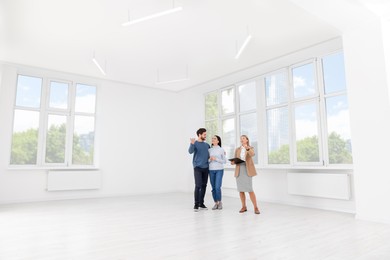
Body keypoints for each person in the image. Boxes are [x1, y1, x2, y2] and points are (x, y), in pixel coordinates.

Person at [231, 135, 260, 214]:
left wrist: (247, 148)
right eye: (241, 139)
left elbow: (252, 154)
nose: (242, 140)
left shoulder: (250, 148)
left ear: (247, 140)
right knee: (241, 190)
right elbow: (234, 159)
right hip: (239, 169)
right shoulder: (237, 149)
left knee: (250, 190)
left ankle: (256, 207)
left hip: (247, 170)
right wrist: (233, 162)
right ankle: (244, 206)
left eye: (243, 138)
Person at [188, 128, 210, 212]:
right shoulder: (195, 143)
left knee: (204, 186)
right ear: (199, 135)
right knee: (198, 185)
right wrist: (192, 144)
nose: (205, 136)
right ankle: (196, 204)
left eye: (205, 134)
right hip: (197, 167)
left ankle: (201, 203)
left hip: (206, 168)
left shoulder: (207, 145)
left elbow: (209, 155)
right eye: (204, 134)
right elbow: (190, 151)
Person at [208, 135, 226, 210]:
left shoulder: (221, 149)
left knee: (217, 187)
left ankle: (220, 202)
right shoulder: (209, 150)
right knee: (213, 188)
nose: (213, 139)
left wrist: (216, 159)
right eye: (212, 138)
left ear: (218, 141)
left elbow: (224, 161)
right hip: (211, 170)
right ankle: (216, 203)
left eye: (214, 138)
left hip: (219, 169)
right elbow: (207, 161)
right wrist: (210, 160)